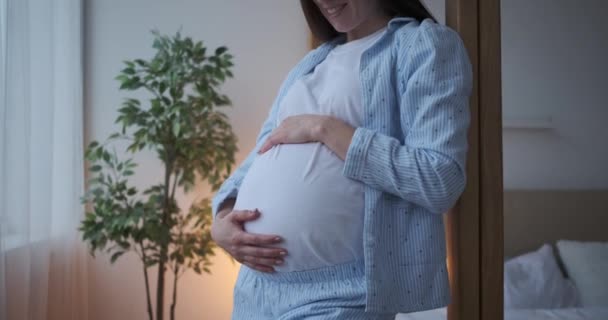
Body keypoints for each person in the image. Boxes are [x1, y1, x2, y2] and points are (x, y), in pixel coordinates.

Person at [211, 0, 472, 318]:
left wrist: (325, 129)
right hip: (256, 293)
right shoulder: (311, 63)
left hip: (342, 296)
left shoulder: (422, 45)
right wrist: (220, 223)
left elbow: (439, 179)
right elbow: (260, 154)